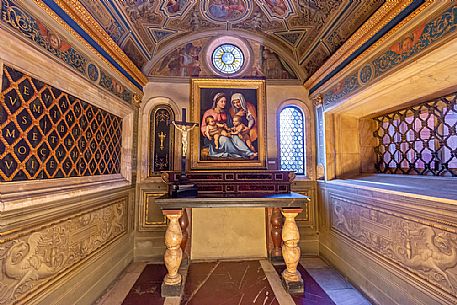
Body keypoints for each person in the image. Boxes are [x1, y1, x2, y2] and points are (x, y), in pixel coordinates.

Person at [201, 92, 257, 159]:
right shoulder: (208, 112)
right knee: (225, 140)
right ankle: (242, 154)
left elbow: (231, 125)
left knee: (235, 137)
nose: (224, 103)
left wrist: (230, 129)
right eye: (221, 101)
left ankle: (249, 153)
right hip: (213, 137)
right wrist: (210, 132)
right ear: (216, 102)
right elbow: (203, 127)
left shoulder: (226, 113)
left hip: (225, 133)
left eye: (225, 102)